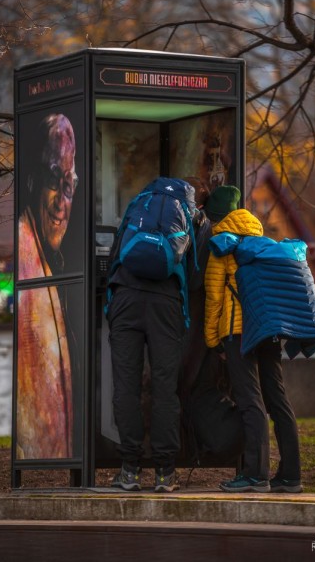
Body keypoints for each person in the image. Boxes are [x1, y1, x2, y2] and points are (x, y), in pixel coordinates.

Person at [204, 185, 303, 493]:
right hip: (268, 330)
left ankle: (255, 474)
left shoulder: (222, 246)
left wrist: (212, 341)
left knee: (250, 400)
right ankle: (290, 475)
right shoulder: (263, 242)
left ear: (218, 218)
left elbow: (214, 298)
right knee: (278, 399)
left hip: (238, 332)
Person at [107, 178, 197, 493]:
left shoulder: (138, 206)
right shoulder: (185, 213)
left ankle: (130, 470)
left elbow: (117, 254)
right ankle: (164, 473)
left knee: (126, 387)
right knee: (164, 388)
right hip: (166, 304)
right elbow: (192, 268)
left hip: (126, 298)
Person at [17, 113, 79, 459]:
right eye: (54, 181)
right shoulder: (28, 259)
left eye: (68, 187)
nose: (61, 202)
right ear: (32, 181)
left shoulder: (51, 264)